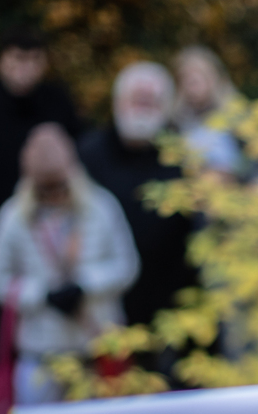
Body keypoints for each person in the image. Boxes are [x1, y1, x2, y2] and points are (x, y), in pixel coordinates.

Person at [0, 123, 139, 406]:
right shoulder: (13, 217)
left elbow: (127, 266)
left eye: (60, 185)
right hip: (40, 354)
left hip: (96, 347)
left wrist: (86, 285)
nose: (55, 195)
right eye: (46, 188)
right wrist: (41, 295)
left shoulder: (100, 207)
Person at [78, 62, 198, 338]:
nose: (142, 109)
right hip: (103, 306)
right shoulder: (88, 155)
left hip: (170, 304)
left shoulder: (182, 157)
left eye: (151, 101)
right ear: (118, 101)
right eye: (136, 99)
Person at [0, 25, 84, 210]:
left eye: (35, 59)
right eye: (19, 58)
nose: (27, 67)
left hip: (52, 205)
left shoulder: (58, 101)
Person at [171, 46, 244, 177]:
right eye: (186, 76)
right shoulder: (174, 121)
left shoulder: (237, 115)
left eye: (200, 73)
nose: (193, 81)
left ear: (215, 77)